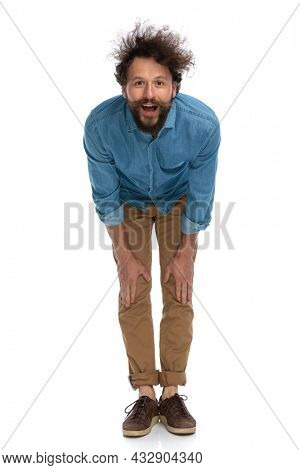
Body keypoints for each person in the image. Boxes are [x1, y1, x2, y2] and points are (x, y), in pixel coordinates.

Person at [83, 21, 221, 437]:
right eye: (138, 83)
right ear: (124, 88)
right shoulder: (100, 126)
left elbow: (200, 195)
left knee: (178, 288)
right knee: (132, 290)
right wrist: (124, 255)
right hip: (129, 204)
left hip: (180, 202)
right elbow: (105, 197)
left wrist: (185, 253)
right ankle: (145, 394)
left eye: (159, 83)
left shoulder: (203, 125)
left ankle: (172, 392)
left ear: (174, 87)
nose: (148, 93)